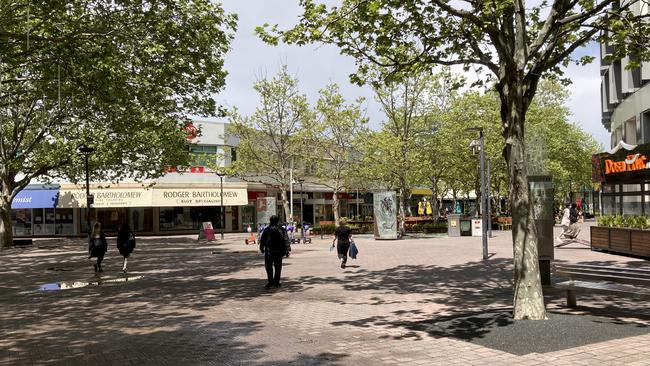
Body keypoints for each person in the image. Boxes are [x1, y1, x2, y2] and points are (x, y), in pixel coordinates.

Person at [259, 215, 290, 289]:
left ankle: (270, 281)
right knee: (278, 267)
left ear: (270, 221)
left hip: (269, 251)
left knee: (268, 267)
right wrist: (287, 249)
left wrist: (261, 247)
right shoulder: (281, 229)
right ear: (277, 221)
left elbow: (262, 239)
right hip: (279, 251)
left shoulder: (267, 229)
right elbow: (286, 239)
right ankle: (277, 282)